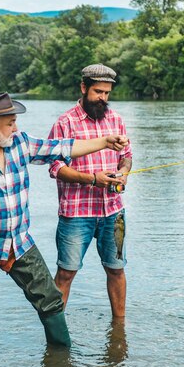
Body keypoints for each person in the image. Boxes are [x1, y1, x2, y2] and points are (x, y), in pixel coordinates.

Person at [0, 92, 129, 367]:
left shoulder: (20, 144)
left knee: (50, 300)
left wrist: (104, 142)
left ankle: (60, 362)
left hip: (19, 244)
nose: (16, 128)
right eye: (10, 123)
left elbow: (64, 148)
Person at [48, 64, 133, 318]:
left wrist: (124, 175)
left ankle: (119, 329)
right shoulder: (65, 123)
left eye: (107, 93)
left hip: (113, 212)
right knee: (66, 272)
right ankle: (55, 333)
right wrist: (93, 179)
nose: (103, 98)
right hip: (77, 213)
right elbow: (55, 167)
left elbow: (126, 157)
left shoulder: (116, 119)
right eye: (98, 92)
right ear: (83, 87)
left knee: (116, 270)